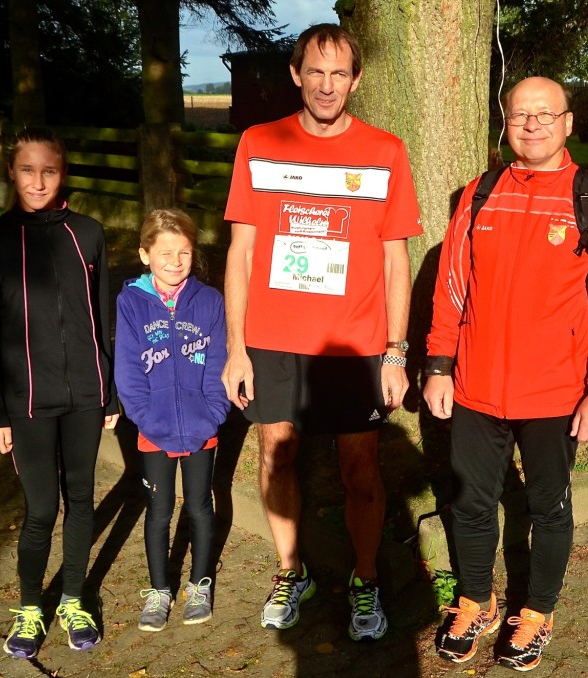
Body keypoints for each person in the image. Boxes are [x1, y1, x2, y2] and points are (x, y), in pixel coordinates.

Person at [425, 77, 588, 671]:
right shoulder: (480, 192)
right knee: (469, 503)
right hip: (475, 387)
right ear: (506, 122)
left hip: (556, 392)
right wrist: (439, 365)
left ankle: (538, 611)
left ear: (568, 123)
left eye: (546, 114)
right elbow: (451, 289)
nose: (533, 124)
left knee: (549, 509)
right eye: (521, 114)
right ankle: (475, 600)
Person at [221, 23, 422, 641]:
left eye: (339, 74)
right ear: (295, 74)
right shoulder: (259, 142)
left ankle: (364, 580)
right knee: (273, 456)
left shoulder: (385, 151)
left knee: (360, 470)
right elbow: (240, 254)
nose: (327, 85)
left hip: (354, 345)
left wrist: (395, 351)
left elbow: (396, 261)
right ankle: (291, 572)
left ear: (355, 80)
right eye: (316, 71)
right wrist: (235, 349)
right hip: (273, 340)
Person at [0, 127, 119, 658]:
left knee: (80, 499)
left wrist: (111, 394)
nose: (38, 180)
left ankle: (74, 598)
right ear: (11, 172)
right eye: (28, 169)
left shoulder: (89, 234)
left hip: (85, 394)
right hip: (26, 400)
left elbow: (104, 319)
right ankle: (31, 606)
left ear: (64, 174)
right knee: (41, 508)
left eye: (49, 170)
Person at [114, 209, 229, 631]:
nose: (175, 261)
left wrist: (213, 415)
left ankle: (200, 584)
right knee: (159, 510)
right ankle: (160, 590)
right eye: (165, 252)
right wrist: (146, 419)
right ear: (145, 254)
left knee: (200, 507)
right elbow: (127, 371)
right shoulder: (130, 302)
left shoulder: (210, 301)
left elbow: (219, 363)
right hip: (154, 431)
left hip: (202, 428)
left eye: (184, 252)